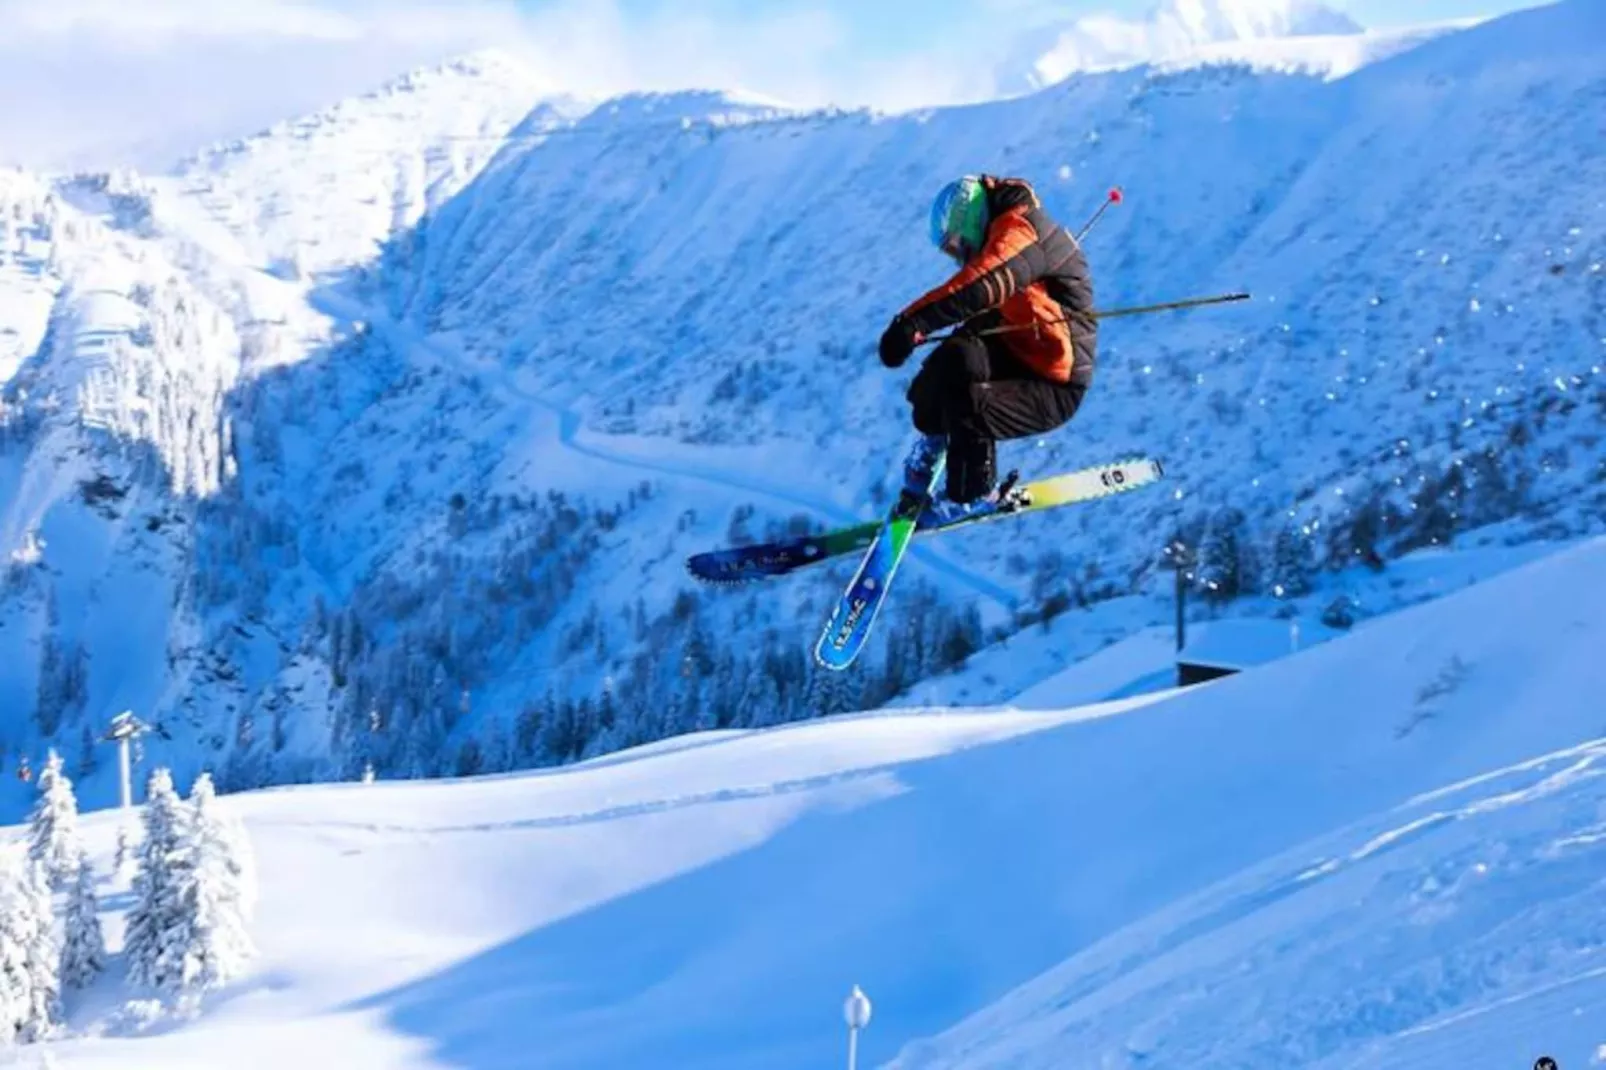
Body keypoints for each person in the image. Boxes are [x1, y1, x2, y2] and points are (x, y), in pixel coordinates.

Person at [877, 174, 1096, 509]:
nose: (960, 256)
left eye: (958, 246)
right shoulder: (1006, 229)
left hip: (1053, 385)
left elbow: (982, 283)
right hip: (1021, 347)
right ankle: (934, 446)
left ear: (973, 222)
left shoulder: (1021, 232)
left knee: (967, 400)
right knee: (953, 359)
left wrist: (912, 324)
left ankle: (971, 494)